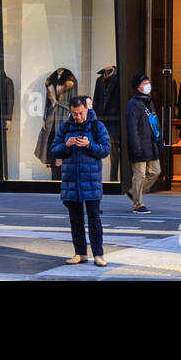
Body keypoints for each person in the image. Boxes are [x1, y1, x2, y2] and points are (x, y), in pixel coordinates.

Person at [50, 95, 111, 266]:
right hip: (71, 180)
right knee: (75, 220)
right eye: (75, 113)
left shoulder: (97, 126)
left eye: (81, 113)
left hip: (91, 180)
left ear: (87, 109)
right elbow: (54, 150)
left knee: (94, 219)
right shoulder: (65, 127)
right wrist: (66, 145)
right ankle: (80, 253)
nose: (78, 117)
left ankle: (98, 254)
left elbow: (106, 149)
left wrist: (89, 145)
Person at [124, 74, 160, 213]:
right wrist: (136, 147)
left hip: (151, 143)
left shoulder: (149, 101)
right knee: (140, 175)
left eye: (148, 81)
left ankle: (134, 192)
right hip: (139, 144)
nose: (147, 84)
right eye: (144, 82)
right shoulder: (133, 104)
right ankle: (138, 204)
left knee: (156, 171)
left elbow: (154, 121)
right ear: (137, 86)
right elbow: (132, 128)